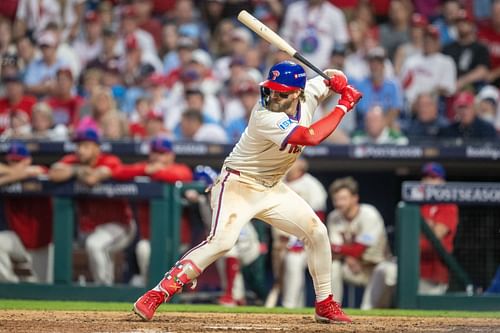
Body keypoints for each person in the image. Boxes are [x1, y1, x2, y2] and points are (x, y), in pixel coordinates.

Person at [133, 60, 362, 323]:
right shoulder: (265, 115)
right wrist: (343, 105)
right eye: (272, 90)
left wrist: (336, 80)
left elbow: (330, 76)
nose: (274, 96)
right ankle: (157, 293)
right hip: (238, 185)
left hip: (272, 187)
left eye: (282, 93)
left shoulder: (309, 91)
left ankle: (325, 303)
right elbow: (310, 136)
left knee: (317, 232)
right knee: (222, 243)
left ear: (298, 93)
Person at [48, 128, 136, 285]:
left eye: (86, 146)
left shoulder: (110, 160)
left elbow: (92, 179)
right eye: (78, 146)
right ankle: (107, 288)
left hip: (120, 225)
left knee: (95, 245)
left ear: (97, 148)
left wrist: (75, 172)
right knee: (97, 247)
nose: (80, 150)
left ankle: (103, 289)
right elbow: (53, 173)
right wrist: (77, 169)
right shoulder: (73, 161)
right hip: (91, 226)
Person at [111, 137, 193, 285]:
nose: (158, 157)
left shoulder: (180, 169)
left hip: (175, 240)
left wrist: (152, 172)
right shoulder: (144, 168)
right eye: (155, 152)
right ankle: (150, 288)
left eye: (162, 153)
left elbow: (180, 175)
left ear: (171, 156)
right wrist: (145, 169)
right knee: (143, 250)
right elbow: (117, 172)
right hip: (149, 238)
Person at [327, 177, 390, 309]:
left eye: (343, 199)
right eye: (336, 199)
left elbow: (357, 250)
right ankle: (332, 308)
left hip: (376, 267)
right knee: (334, 266)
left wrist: (346, 252)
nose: (339, 203)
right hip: (353, 268)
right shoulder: (334, 217)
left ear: (355, 198)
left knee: (367, 308)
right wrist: (348, 255)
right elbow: (334, 252)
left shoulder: (369, 214)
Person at [0, 142, 52, 283]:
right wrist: (18, 173)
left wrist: (14, 174)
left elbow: (44, 172)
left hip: (42, 243)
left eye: (18, 161)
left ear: (28, 160)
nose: (14, 164)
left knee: (41, 287)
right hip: (17, 241)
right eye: (11, 161)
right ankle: (9, 285)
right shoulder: (9, 176)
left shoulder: (40, 171)